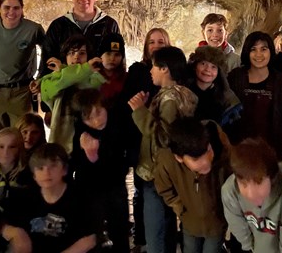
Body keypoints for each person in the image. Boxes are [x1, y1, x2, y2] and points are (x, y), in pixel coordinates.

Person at [128, 46, 198, 253]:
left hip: (156, 173)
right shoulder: (182, 94)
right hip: (171, 173)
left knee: (155, 231)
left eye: (154, 66)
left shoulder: (169, 99)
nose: (150, 71)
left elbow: (162, 136)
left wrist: (139, 110)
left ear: (165, 69)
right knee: (167, 227)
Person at [118, 27, 171, 251]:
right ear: (146, 46)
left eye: (161, 41)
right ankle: (142, 238)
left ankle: (162, 239)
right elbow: (127, 101)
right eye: (152, 42)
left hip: (163, 140)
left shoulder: (174, 74)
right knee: (142, 190)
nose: (156, 45)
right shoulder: (138, 70)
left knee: (166, 192)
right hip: (140, 137)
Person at [0, 0, 45, 146]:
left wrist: (41, 77)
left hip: (22, 92)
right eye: (7, 7)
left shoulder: (33, 29)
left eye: (16, 8)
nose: (11, 12)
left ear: (22, 9)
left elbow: (47, 52)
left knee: (25, 139)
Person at [154, 118, 232, 253]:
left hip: (216, 224)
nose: (206, 161)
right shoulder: (167, 162)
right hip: (189, 223)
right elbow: (165, 189)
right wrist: (180, 208)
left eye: (208, 150)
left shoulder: (224, 155)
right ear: (179, 157)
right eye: (196, 159)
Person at [70, 88, 130, 253]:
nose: (96, 120)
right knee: (91, 233)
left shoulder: (118, 126)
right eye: (88, 116)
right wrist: (90, 156)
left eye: (98, 112)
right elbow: (76, 165)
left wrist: (96, 156)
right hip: (89, 191)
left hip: (114, 188)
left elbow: (122, 165)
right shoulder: (80, 132)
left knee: (119, 231)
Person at [227, 31, 282, 158]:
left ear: (271, 51)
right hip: (238, 150)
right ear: (247, 52)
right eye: (253, 49)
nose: (259, 54)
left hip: (273, 152)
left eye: (263, 49)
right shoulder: (235, 78)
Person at [221, 138, 282, 253]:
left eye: (258, 182)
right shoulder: (230, 191)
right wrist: (249, 247)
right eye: (244, 184)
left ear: (272, 177)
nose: (251, 194)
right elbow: (238, 226)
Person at [40, 34, 105, 154]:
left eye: (82, 53)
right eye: (71, 53)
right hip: (61, 142)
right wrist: (70, 71)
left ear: (88, 56)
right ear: (65, 56)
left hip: (87, 142)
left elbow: (88, 86)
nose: (76, 57)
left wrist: (66, 71)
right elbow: (47, 93)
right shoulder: (53, 78)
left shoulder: (96, 78)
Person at [41, 0, 120, 75]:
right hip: (66, 85)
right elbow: (48, 57)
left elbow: (118, 57)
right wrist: (42, 82)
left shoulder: (109, 25)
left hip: (99, 86)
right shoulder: (58, 25)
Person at [25, 143, 97, 253]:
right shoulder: (26, 198)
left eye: (53, 166)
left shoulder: (81, 198)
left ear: (65, 170)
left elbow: (90, 240)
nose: (46, 173)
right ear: (34, 175)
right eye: (40, 168)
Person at [187, 45, 242, 130]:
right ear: (195, 66)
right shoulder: (183, 93)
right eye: (203, 64)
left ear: (219, 72)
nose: (207, 69)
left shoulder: (225, 96)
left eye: (213, 67)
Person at [98, 32, 128, 109]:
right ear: (101, 55)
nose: (112, 58)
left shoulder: (127, 79)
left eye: (117, 54)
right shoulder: (91, 77)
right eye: (108, 53)